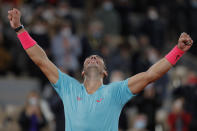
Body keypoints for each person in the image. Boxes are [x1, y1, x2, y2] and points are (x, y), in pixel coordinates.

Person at [8, 8, 193, 131]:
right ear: (82, 72)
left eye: (98, 59)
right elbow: (41, 60)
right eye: (89, 58)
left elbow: (151, 75)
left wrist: (177, 50)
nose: (93, 57)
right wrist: (19, 29)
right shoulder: (69, 87)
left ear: (105, 72)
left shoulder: (116, 91)